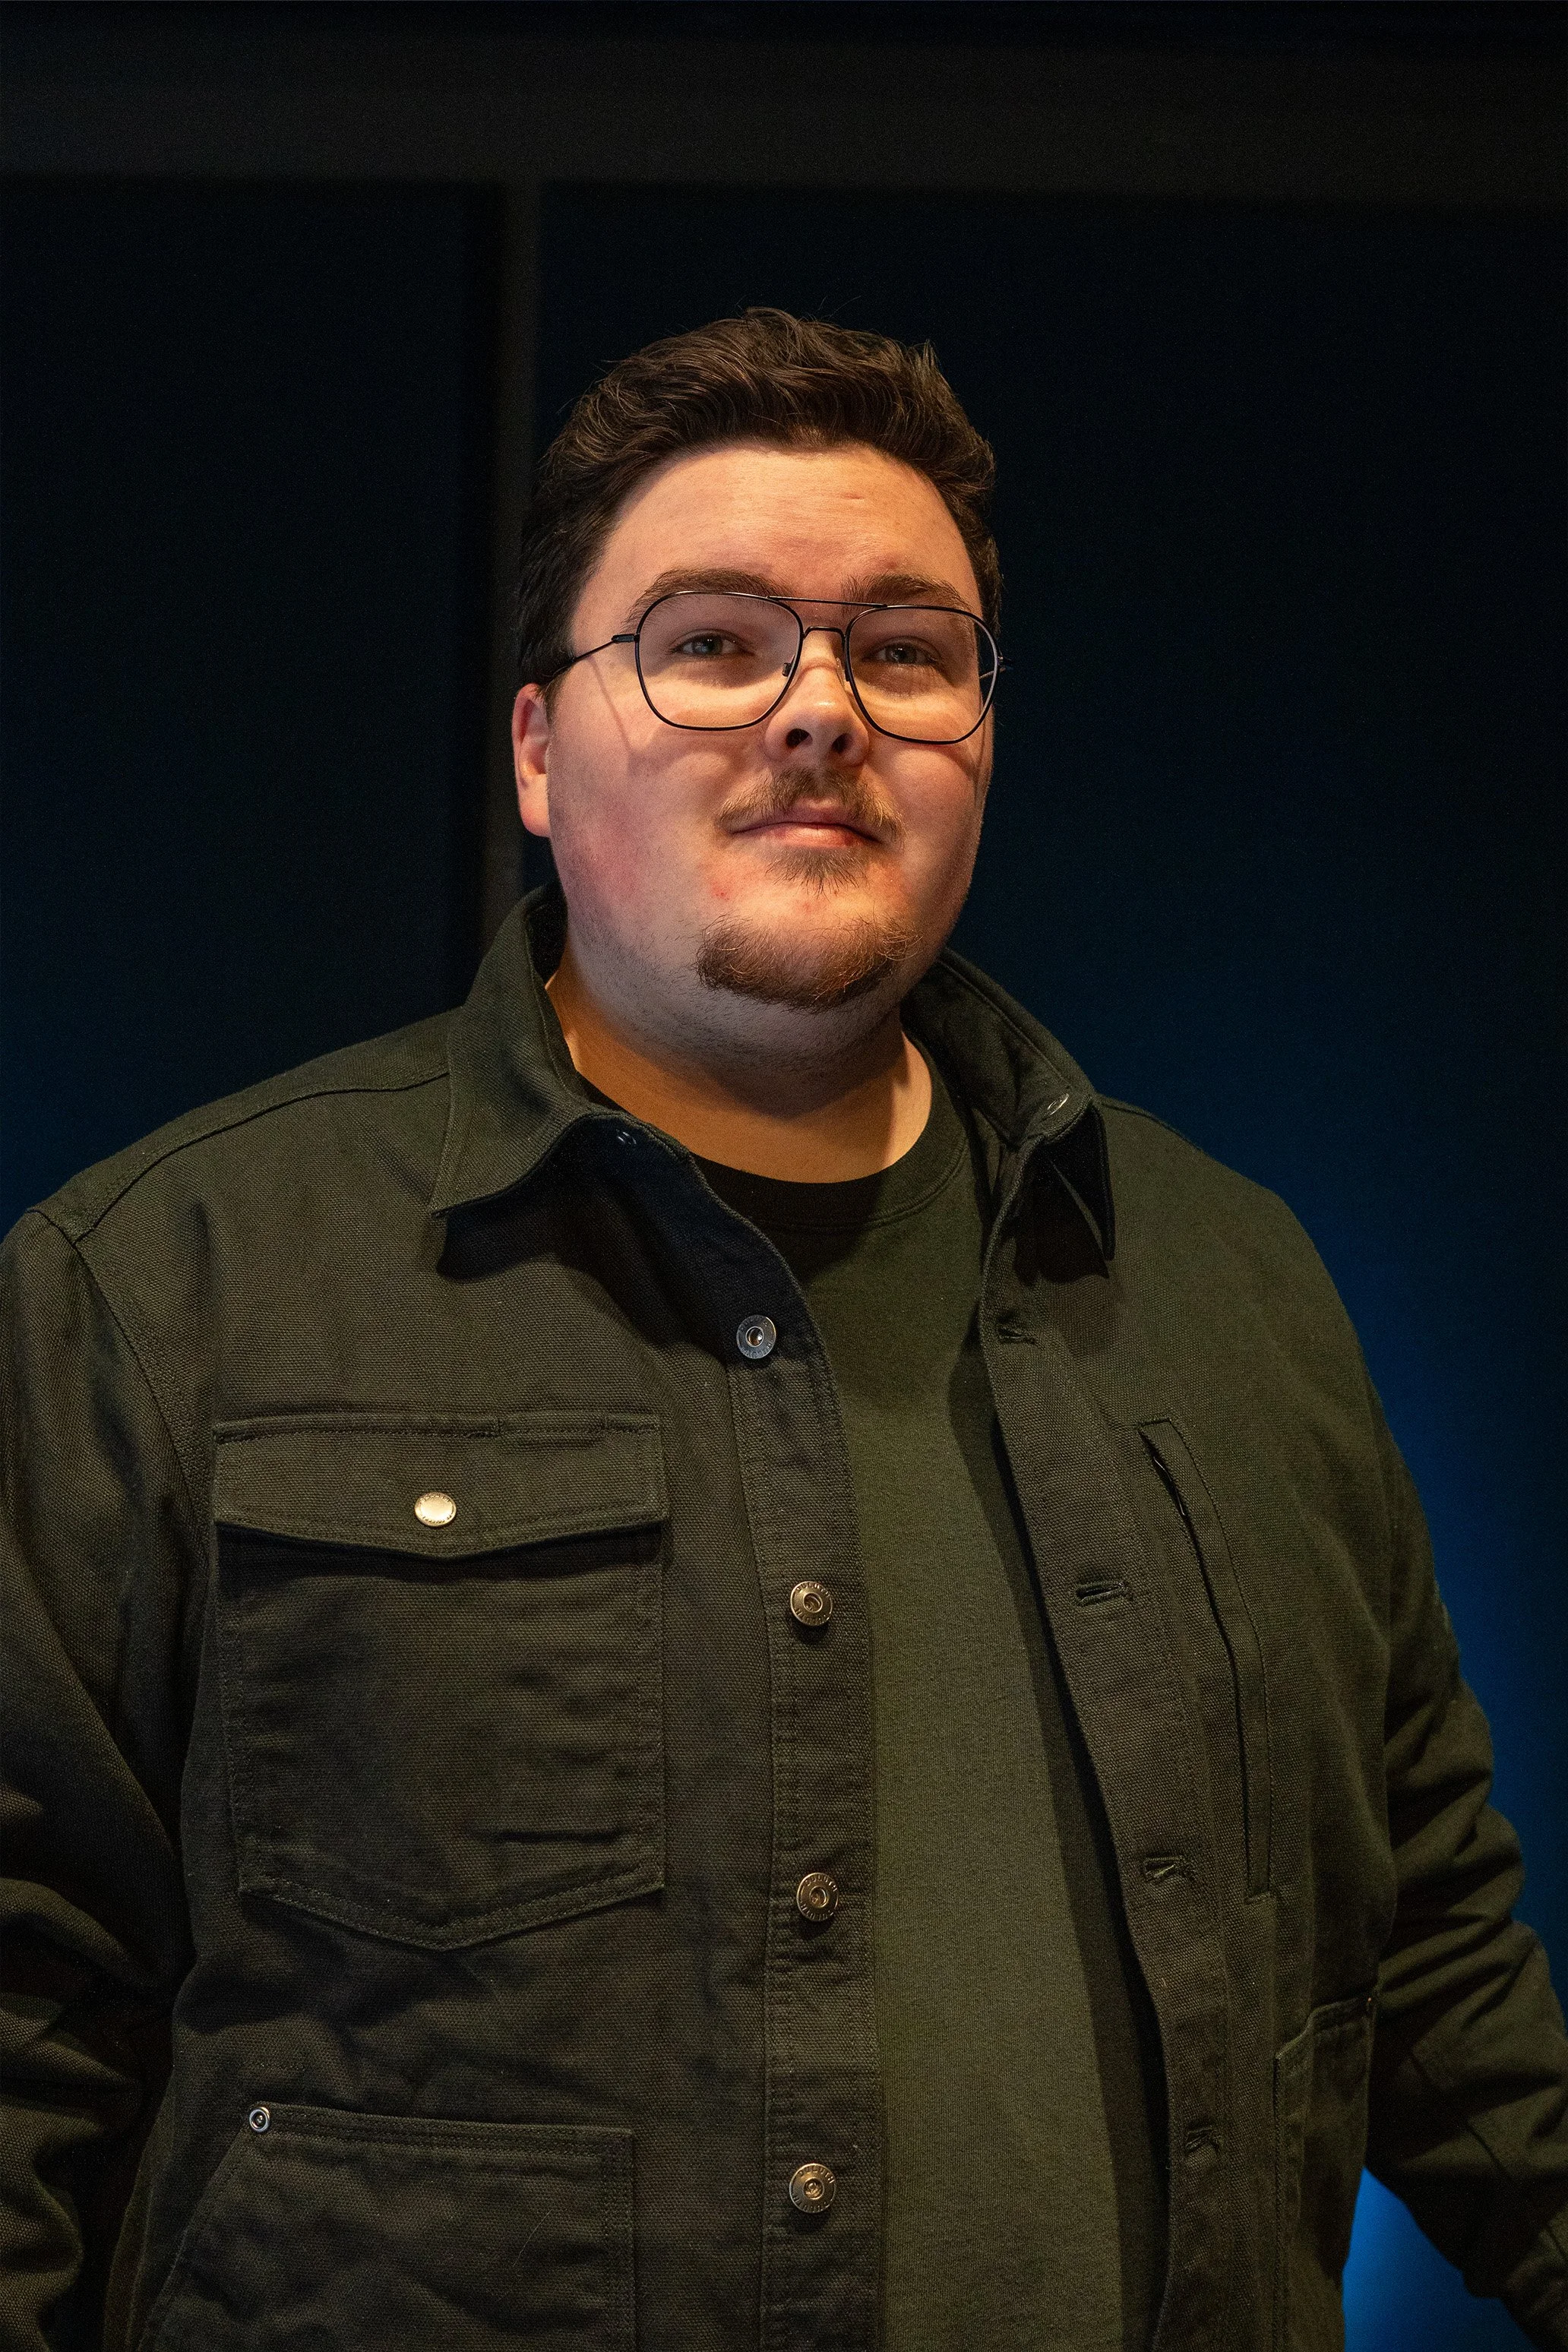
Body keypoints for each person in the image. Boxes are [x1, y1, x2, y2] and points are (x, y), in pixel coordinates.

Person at [2, 308, 1564, 2352]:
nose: (821, 709)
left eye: (904, 651)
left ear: (979, 736)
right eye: (717, 642)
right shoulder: (174, 1283)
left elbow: (1435, 1971)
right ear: (539, 752)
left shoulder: (1227, 1284)